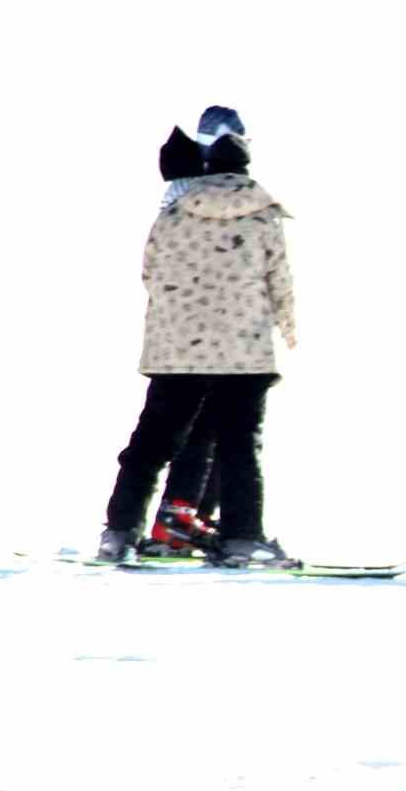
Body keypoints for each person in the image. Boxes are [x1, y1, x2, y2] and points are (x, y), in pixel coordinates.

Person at [99, 132, 300, 567]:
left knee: (150, 444)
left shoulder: (172, 216)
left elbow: (150, 272)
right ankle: (243, 540)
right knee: (239, 447)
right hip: (243, 352)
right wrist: (287, 328)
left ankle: (118, 533)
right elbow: (279, 279)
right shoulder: (262, 217)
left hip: (177, 350)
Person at [139, 108, 252, 556]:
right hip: (208, 335)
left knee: (203, 430)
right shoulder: (200, 189)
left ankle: (187, 518)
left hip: (185, 332)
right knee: (204, 429)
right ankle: (180, 519)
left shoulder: (186, 183)